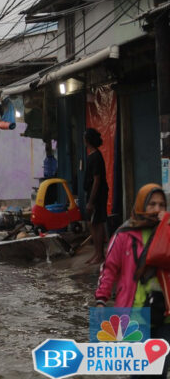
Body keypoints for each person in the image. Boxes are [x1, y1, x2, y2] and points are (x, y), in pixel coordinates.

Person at [95, 184, 169, 377]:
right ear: (140, 204)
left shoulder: (168, 231)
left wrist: (167, 226)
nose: (157, 209)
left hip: (165, 316)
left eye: (162, 205)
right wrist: (101, 300)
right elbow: (109, 268)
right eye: (152, 204)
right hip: (132, 315)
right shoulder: (124, 234)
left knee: (160, 372)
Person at [84, 128, 109, 265]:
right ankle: (96, 253)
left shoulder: (96, 157)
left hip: (98, 195)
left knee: (97, 223)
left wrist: (91, 201)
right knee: (92, 223)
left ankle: (100, 255)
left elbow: (97, 180)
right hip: (92, 193)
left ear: (88, 140)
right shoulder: (91, 156)